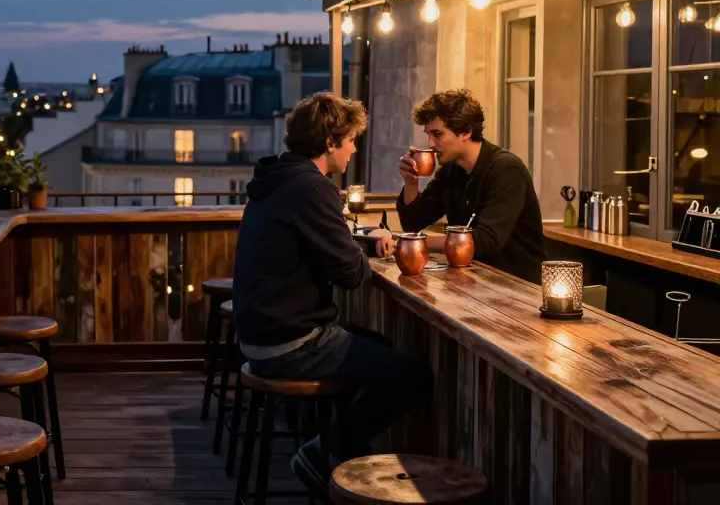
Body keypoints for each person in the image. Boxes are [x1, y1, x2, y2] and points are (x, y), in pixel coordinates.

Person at [232, 92, 432, 499]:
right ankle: (324, 451)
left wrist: (353, 237)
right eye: (351, 139)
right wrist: (364, 241)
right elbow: (352, 275)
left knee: (377, 348)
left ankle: (341, 457)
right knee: (412, 376)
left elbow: (316, 242)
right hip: (290, 343)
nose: (355, 148)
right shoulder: (312, 187)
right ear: (329, 143)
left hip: (257, 337)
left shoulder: (279, 177)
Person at [397, 89, 546, 282]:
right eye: (428, 135)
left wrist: (415, 243)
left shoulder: (507, 169)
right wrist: (410, 182)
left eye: (437, 134)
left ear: (466, 132)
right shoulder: (450, 171)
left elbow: (487, 241)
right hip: (473, 279)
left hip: (516, 284)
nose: (430, 143)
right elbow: (413, 223)